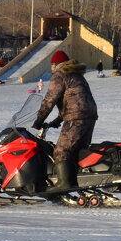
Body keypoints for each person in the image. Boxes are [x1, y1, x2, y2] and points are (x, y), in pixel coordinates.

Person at [33, 50, 98, 191]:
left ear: (56, 64)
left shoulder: (60, 75)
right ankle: (75, 180)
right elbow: (75, 100)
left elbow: (50, 99)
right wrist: (58, 120)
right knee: (77, 151)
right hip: (90, 116)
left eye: (52, 66)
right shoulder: (76, 74)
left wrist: (38, 120)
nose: (52, 69)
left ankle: (64, 183)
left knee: (61, 151)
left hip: (76, 118)